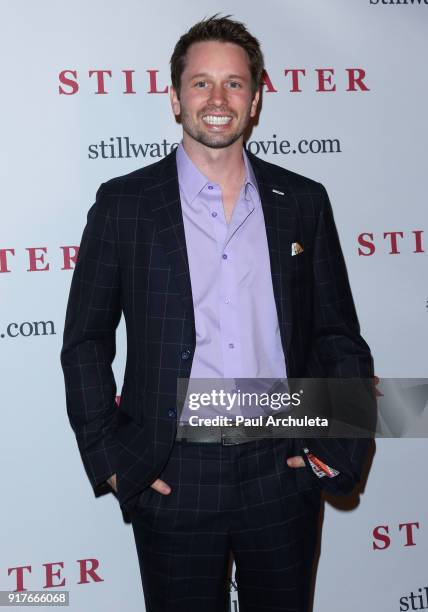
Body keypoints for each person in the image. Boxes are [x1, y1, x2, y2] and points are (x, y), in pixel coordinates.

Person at [60, 14, 374, 612]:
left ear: (256, 99)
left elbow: (338, 336)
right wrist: (113, 463)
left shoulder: (303, 201)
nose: (217, 99)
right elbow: (85, 343)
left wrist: (336, 447)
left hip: (282, 462)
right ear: (175, 97)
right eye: (201, 83)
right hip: (173, 470)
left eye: (234, 83)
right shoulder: (125, 204)